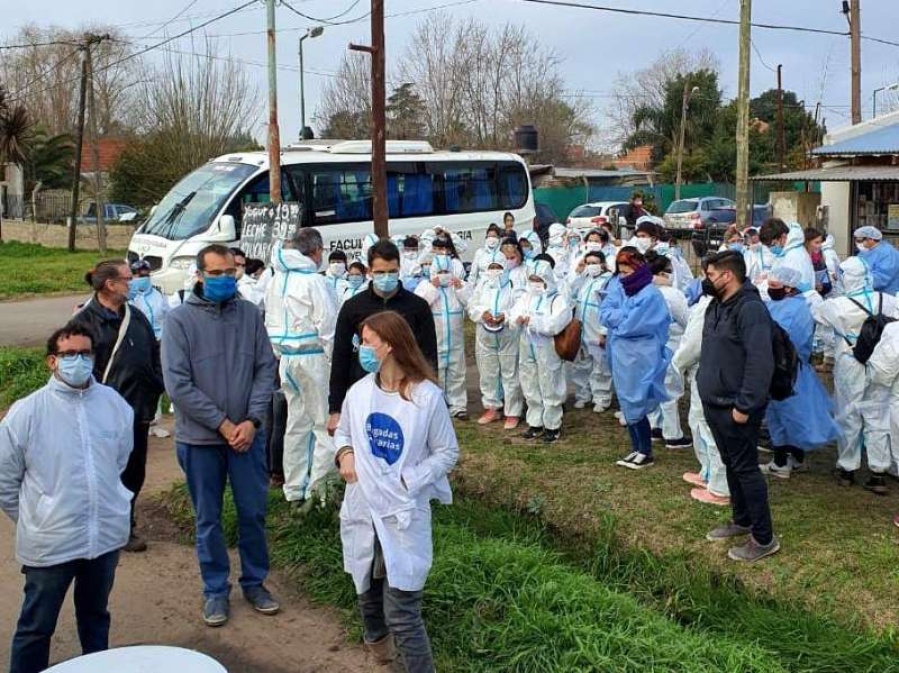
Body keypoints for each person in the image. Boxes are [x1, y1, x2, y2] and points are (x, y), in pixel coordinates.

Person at [0, 323, 134, 673]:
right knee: (36, 627)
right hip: (51, 543)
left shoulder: (114, 404)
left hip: (102, 538)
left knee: (95, 618)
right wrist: (38, 516)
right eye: (69, 354)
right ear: (52, 362)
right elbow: (4, 479)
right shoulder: (27, 413)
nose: (78, 360)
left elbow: (120, 459)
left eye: (85, 353)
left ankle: (97, 667)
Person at [334, 311, 459, 673]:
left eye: (367, 341)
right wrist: (346, 453)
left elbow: (447, 452)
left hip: (403, 512)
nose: (361, 348)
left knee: (402, 610)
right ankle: (381, 657)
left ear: (388, 345)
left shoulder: (426, 398)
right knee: (367, 593)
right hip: (364, 507)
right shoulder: (359, 393)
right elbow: (343, 432)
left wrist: (410, 480)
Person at [162, 244, 279, 627]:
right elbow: (178, 384)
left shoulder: (249, 314)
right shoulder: (179, 321)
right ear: (199, 275)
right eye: (215, 273)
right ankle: (215, 590)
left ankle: (255, 582)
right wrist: (223, 424)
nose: (225, 279)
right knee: (208, 518)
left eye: (230, 272)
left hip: (248, 436)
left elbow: (265, 369)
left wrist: (251, 422)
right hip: (201, 440)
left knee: (253, 513)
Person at [71, 260, 164, 554]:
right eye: (128, 278)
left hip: (137, 411)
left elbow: (155, 353)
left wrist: (156, 384)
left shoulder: (135, 317)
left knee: (134, 471)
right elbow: (74, 369)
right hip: (100, 417)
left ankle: (125, 525)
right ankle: (95, 526)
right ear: (110, 285)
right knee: (100, 472)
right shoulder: (83, 323)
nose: (133, 282)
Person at [697, 250, 779, 562]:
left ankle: (764, 537)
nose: (707, 280)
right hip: (714, 403)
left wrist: (744, 406)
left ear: (728, 275)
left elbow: (760, 363)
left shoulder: (751, 310)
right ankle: (742, 519)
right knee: (731, 463)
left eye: (711, 274)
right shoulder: (716, 306)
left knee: (746, 469)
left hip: (736, 407)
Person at [328, 240, 439, 437]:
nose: (386, 277)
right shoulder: (353, 308)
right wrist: (335, 408)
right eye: (380, 272)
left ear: (399, 269)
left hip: (406, 394)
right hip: (364, 391)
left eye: (392, 271)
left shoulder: (417, 307)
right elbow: (340, 358)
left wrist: (430, 397)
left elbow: (428, 355)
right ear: (369, 271)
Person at [812, 256, 899, 494]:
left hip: (850, 361)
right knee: (877, 415)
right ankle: (878, 472)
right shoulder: (888, 300)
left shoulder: (838, 305)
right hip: (881, 362)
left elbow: (818, 316)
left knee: (848, 414)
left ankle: (847, 469)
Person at [266, 229, 338, 511]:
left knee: (296, 424)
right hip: (314, 357)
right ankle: (321, 493)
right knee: (323, 425)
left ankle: (293, 489)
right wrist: (335, 364)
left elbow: (269, 320)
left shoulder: (275, 279)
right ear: (317, 250)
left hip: (286, 359)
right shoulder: (313, 281)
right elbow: (328, 326)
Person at [759, 265, 840, 480]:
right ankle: (796, 458)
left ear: (789, 288)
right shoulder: (792, 305)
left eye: (774, 286)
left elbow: (783, 340)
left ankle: (780, 462)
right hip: (795, 371)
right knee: (793, 415)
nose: (770, 289)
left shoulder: (794, 310)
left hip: (783, 370)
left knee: (780, 416)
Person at [599, 249, 670, 469]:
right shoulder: (620, 287)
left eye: (627, 271)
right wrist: (623, 316)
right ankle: (637, 447)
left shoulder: (651, 294)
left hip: (641, 355)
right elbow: (604, 312)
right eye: (621, 272)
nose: (623, 276)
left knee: (637, 398)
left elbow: (633, 325)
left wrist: (619, 318)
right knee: (626, 399)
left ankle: (645, 450)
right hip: (620, 352)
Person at [671, 275, 729, 506]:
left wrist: (676, 365)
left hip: (705, 372)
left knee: (707, 426)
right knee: (699, 422)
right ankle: (708, 472)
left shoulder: (707, 308)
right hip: (709, 371)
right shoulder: (715, 305)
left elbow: (692, 345)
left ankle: (720, 487)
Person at [509, 255, 572, 442]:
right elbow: (513, 315)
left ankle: (553, 424)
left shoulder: (557, 299)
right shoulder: (525, 297)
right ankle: (535, 422)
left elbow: (556, 324)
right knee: (529, 382)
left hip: (547, 347)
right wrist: (516, 320)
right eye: (532, 279)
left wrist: (534, 322)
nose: (535, 283)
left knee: (550, 382)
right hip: (526, 344)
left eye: (539, 280)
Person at [468, 254, 523, 429]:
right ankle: (492, 408)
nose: (494, 271)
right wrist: (483, 313)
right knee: (488, 372)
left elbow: (519, 307)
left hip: (508, 335)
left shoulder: (514, 285)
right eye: (491, 267)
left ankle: (512, 412)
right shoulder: (482, 285)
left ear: (505, 267)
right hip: (485, 335)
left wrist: (505, 316)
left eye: (498, 267)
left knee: (510, 373)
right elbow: (472, 305)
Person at [415, 253, 471, 419]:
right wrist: (433, 287)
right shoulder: (425, 286)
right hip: (436, 339)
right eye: (440, 271)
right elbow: (419, 306)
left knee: (456, 371)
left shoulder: (459, 286)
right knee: (435, 371)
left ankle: (458, 405)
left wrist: (460, 288)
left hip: (455, 339)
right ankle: (437, 405)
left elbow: (471, 303)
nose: (443, 274)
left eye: (446, 270)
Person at [645, 252, 691, 449]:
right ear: (663, 273)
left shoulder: (642, 292)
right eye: (670, 272)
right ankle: (672, 434)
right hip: (670, 345)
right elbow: (687, 320)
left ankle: (655, 426)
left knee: (653, 389)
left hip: (647, 347)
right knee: (670, 390)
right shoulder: (673, 295)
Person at [568, 250, 614, 413]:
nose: (591, 266)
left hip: (597, 327)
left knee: (600, 364)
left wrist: (604, 331)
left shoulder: (609, 280)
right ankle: (583, 395)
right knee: (581, 363)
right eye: (588, 262)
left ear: (602, 264)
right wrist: (578, 272)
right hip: (582, 327)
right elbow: (570, 292)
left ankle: (601, 397)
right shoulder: (584, 279)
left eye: (594, 262)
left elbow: (611, 305)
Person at [853, 225, 899, 294]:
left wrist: (857, 281)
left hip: (886, 296)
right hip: (868, 294)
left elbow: (882, 278)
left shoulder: (888, 253)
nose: (857, 243)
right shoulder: (864, 252)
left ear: (870, 239)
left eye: (860, 240)